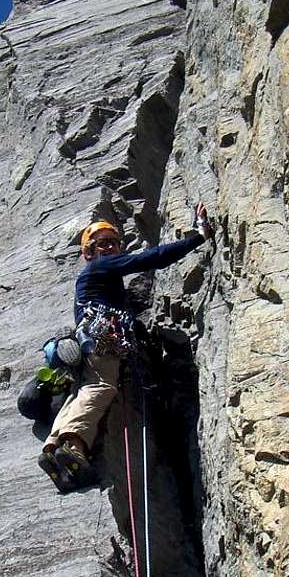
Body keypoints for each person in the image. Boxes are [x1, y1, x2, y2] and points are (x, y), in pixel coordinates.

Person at [39, 203, 214, 485]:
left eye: (113, 243)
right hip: (102, 340)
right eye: (101, 244)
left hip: (87, 343)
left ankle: (52, 448)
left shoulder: (90, 280)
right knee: (100, 387)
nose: (109, 248)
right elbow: (150, 258)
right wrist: (197, 237)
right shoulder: (101, 268)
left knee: (82, 391)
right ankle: (73, 447)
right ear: (89, 253)